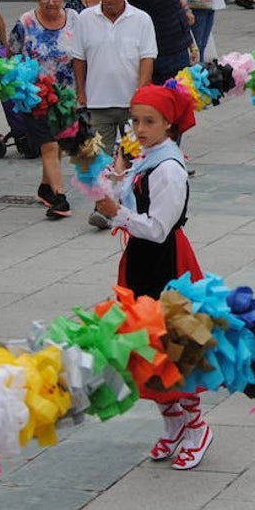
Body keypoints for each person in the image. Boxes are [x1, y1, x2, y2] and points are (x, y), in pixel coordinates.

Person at [92, 84, 210, 468]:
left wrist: (116, 212)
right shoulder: (146, 159)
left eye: (149, 121)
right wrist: (111, 181)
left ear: (168, 124)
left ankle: (196, 427)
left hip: (167, 264)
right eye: (136, 120)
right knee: (145, 346)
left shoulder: (169, 169)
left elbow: (159, 228)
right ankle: (172, 424)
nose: (140, 129)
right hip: (141, 260)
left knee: (174, 345)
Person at [72, 0, 157, 231]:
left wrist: (141, 94)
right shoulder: (85, 19)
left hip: (132, 103)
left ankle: (135, 203)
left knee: (135, 157)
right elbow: (79, 58)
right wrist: (81, 92)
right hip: (98, 101)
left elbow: (147, 58)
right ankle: (103, 207)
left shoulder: (141, 19)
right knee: (98, 159)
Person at [9, 0, 77, 220]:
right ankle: (60, 197)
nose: (51, 2)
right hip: (35, 96)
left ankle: (45, 188)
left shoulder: (74, 20)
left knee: (57, 146)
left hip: (66, 96)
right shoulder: (25, 22)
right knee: (49, 146)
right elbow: (12, 57)